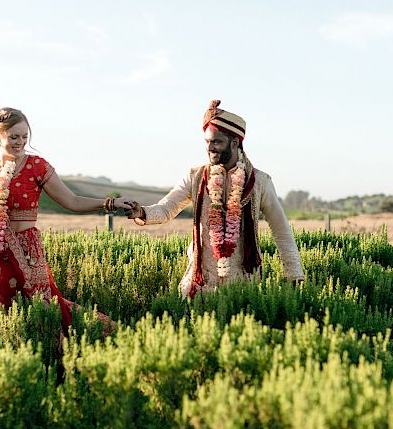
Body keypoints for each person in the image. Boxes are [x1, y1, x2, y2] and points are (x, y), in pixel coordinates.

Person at [0, 107, 130, 348]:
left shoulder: (36, 166)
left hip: (27, 250)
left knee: (39, 305)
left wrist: (110, 203)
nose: (20, 142)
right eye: (14, 137)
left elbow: (72, 201)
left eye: (25, 136)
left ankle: (50, 356)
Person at [126, 99, 305, 298]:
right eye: (207, 142)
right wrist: (141, 212)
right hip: (200, 280)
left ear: (235, 142)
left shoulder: (260, 182)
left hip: (243, 281)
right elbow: (166, 208)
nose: (209, 148)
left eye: (216, 141)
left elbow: (281, 231)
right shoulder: (195, 177)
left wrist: (294, 274)